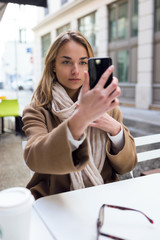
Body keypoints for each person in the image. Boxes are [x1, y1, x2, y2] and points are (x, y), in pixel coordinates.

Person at [22, 30, 137, 200]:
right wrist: (81, 118)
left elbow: (127, 166)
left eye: (83, 62)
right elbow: (34, 157)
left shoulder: (107, 107)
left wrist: (114, 129)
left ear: (90, 65)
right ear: (53, 65)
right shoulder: (37, 109)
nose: (75, 70)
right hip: (56, 200)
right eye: (67, 62)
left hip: (103, 196)